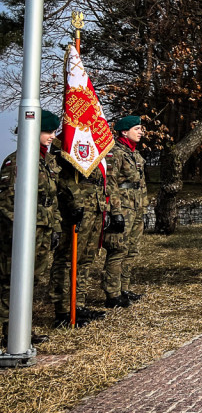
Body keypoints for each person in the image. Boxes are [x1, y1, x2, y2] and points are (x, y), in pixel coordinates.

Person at [1, 109, 63, 346]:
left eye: (53, 131)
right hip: (20, 235)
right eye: (48, 130)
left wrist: (55, 227)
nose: (51, 136)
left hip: (42, 231)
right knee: (12, 281)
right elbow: (7, 201)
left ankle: (21, 328)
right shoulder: (16, 161)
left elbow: (51, 199)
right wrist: (21, 232)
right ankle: (10, 333)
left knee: (32, 281)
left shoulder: (46, 161)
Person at [50, 154, 108, 327]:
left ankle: (78, 305)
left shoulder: (96, 147)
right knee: (67, 259)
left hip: (94, 208)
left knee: (85, 260)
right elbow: (62, 179)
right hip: (75, 210)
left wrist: (106, 207)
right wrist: (74, 202)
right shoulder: (69, 142)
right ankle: (63, 311)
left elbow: (100, 181)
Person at [103, 115, 147, 308]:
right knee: (118, 249)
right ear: (124, 131)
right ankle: (112, 294)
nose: (140, 132)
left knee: (132, 249)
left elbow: (141, 184)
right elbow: (110, 184)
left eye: (140, 128)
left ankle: (124, 288)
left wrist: (143, 207)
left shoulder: (136, 155)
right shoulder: (115, 153)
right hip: (123, 207)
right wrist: (115, 211)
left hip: (136, 208)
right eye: (136, 128)